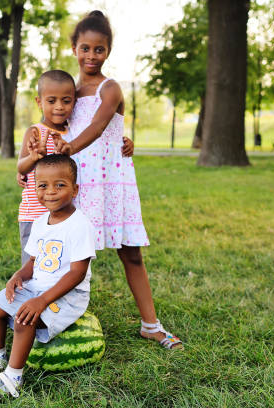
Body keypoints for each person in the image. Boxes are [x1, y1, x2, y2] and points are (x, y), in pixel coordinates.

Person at [63, 10, 183, 350]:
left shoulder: (110, 88)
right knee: (75, 253)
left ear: (107, 52)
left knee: (130, 253)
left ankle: (151, 325)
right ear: (74, 47)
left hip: (113, 182)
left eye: (98, 49)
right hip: (80, 182)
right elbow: (53, 119)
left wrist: (75, 145)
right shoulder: (68, 90)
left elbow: (100, 125)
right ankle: (63, 319)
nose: (91, 56)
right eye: (85, 48)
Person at [0, 154, 96, 400]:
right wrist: (18, 275)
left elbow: (78, 273)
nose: (50, 192)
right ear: (34, 188)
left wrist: (43, 300)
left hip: (68, 296)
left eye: (60, 185)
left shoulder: (80, 225)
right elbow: (34, 262)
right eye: (43, 185)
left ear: (75, 189)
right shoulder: (39, 222)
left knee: (24, 319)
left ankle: (13, 377)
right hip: (37, 287)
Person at [17, 70, 74, 265]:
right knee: (31, 265)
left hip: (63, 214)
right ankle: (30, 295)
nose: (59, 107)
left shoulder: (74, 134)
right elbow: (21, 167)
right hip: (34, 214)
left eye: (66, 101)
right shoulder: (35, 132)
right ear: (39, 102)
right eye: (51, 101)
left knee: (58, 263)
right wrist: (33, 157)